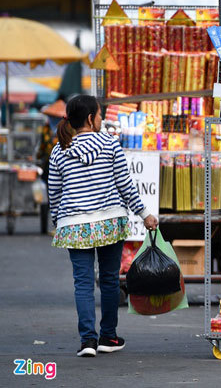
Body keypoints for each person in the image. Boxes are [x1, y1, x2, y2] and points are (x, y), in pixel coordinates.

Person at [48, 95, 158, 357]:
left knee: (83, 283)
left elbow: (54, 193)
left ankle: (88, 341)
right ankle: (108, 336)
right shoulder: (110, 144)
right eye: (99, 115)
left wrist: (59, 221)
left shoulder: (59, 150)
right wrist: (144, 214)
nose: (101, 119)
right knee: (109, 280)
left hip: (74, 224)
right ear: (90, 118)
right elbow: (125, 185)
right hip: (109, 221)